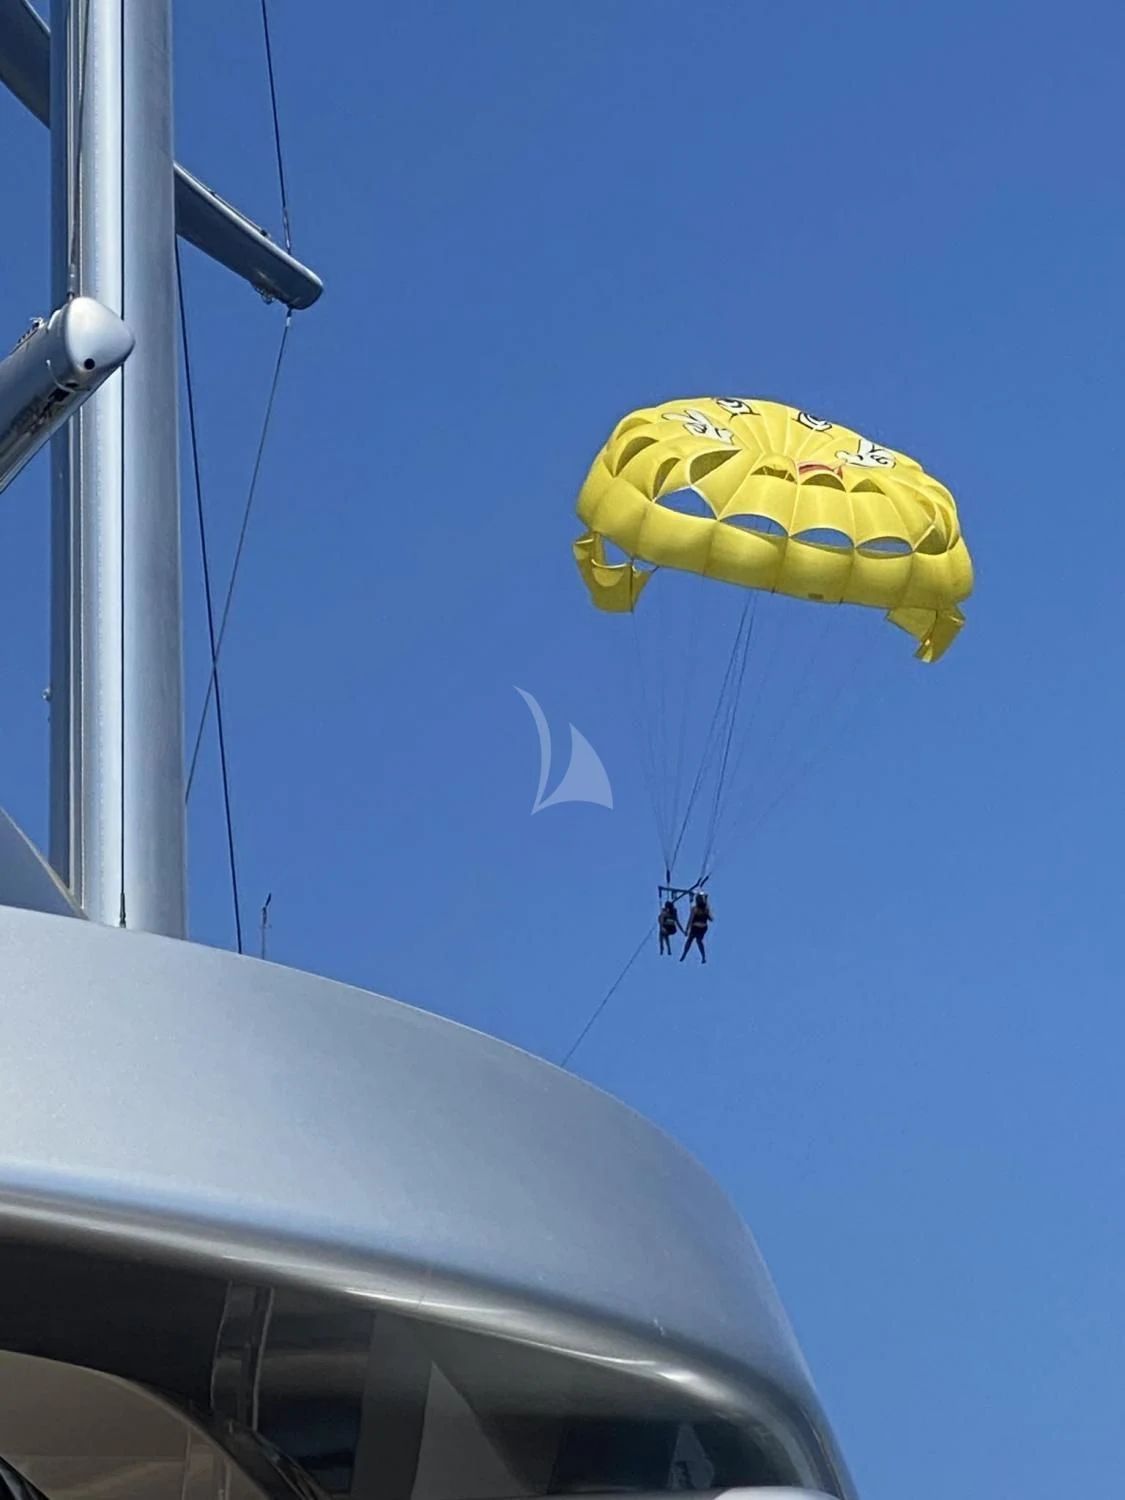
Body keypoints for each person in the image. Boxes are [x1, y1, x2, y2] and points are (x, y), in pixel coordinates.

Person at [680, 892, 712, 964]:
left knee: (689, 941)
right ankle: (703, 957)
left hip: (696, 927)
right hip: (703, 928)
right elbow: (711, 919)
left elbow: (690, 920)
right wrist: (707, 903)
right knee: (699, 941)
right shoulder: (705, 909)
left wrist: (686, 930)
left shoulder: (695, 909)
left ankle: (684, 954)